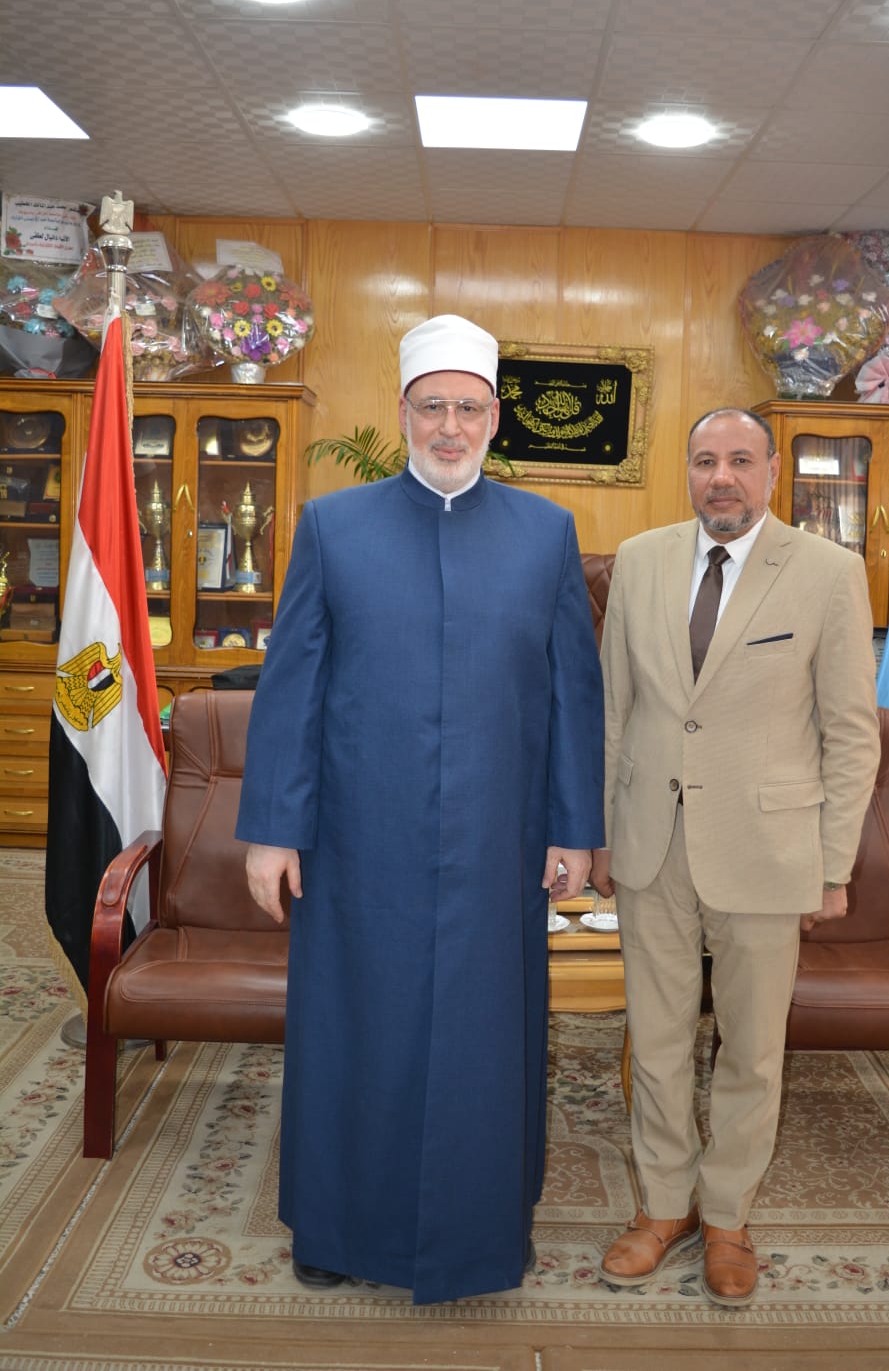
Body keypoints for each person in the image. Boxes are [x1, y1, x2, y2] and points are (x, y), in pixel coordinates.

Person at [236, 313, 605, 1305]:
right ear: (402, 412)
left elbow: (573, 693)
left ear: (495, 419)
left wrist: (575, 829)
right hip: (358, 839)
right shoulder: (334, 525)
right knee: (352, 1028)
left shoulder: (545, 533)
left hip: (497, 842)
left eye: (468, 408)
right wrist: (273, 831)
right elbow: (293, 690)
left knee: (486, 1041)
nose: (451, 425)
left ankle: (484, 1235)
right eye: (432, 406)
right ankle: (334, 1226)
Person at [593, 407, 880, 1308]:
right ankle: (663, 1207)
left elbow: (850, 732)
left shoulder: (829, 572)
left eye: (741, 460)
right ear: (688, 469)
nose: (722, 477)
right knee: (657, 1041)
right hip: (650, 844)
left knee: (753, 1051)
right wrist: (601, 833)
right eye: (706, 460)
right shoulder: (638, 561)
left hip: (767, 848)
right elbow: (614, 709)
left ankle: (727, 1219)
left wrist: (832, 867)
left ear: (772, 471)